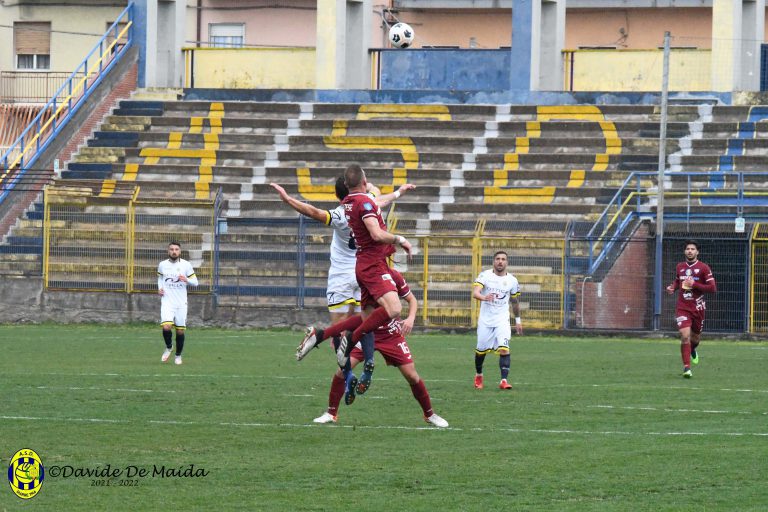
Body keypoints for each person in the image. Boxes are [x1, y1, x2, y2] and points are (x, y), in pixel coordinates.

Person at [311, 268, 448, 428]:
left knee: (411, 375)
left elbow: (412, 299)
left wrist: (411, 318)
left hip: (391, 334)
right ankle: (331, 413)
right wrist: (341, 330)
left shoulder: (393, 275)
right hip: (366, 331)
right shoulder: (363, 276)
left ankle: (430, 415)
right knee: (342, 371)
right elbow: (355, 308)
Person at [269, 178, 414, 329]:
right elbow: (377, 194)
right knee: (361, 325)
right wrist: (398, 192)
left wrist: (288, 199)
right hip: (364, 271)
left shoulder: (338, 215)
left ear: (337, 196)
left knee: (339, 328)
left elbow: (313, 212)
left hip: (341, 275)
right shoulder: (366, 205)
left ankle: (324, 339)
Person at [334, 164, 414, 393]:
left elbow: (378, 202)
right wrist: (400, 239)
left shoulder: (349, 203)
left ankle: (359, 355)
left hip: (362, 264)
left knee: (367, 316)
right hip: (371, 265)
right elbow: (377, 234)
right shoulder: (364, 203)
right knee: (395, 309)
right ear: (364, 182)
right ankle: (350, 339)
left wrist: (399, 192)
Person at [472, 250, 522, 390]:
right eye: (498, 259)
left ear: (507, 262)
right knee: (481, 351)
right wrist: (484, 297)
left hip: (502, 320)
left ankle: (504, 380)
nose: (500, 261)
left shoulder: (512, 280)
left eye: (503, 259)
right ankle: (479, 375)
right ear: (494, 261)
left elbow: (514, 301)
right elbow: (475, 293)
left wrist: (518, 320)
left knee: (504, 349)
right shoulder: (485, 275)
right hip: (486, 321)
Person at [665, 239, 716, 378]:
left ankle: (692, 349)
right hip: (683, 307)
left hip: (698, 308)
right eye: (688, 249)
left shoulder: (704, 268)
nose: (690, 251)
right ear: (684, 251)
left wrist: (694, 284)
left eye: (693, 249)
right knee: (685, 335)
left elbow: (712, 288)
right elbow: (678, 280)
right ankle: (687, 368)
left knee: (695, 339)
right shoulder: (680, 266)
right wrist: (672, 287)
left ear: (697, 252)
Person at [157, 241, 199, 365]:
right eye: (172, 249)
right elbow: (160, 277)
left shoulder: (186, 265)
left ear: (180, 251)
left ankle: (178, 355)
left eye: (176, 249)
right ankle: (169, 347)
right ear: (168, 251)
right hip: (167, 301)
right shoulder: (162, 265)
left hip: (181, 303)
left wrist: (186, 280)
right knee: (166, 326)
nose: (174, 251)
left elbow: (196, 282)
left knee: (180, 331)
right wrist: (160, 288)